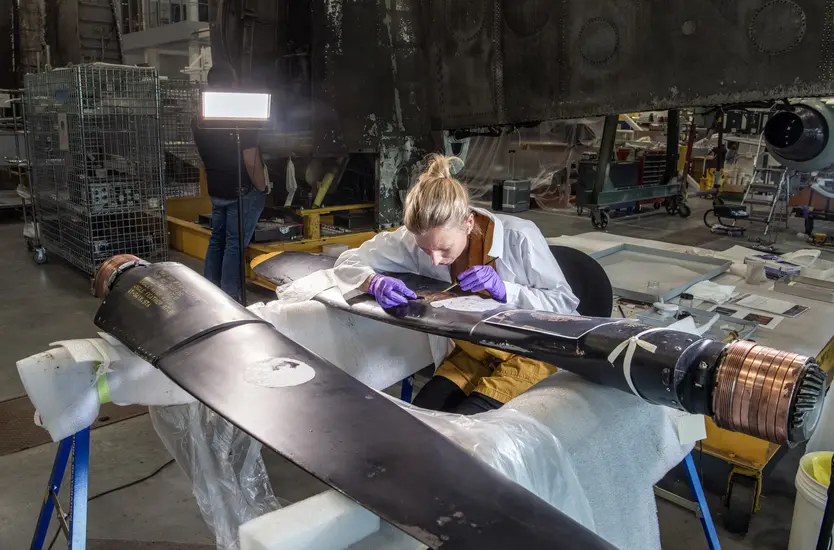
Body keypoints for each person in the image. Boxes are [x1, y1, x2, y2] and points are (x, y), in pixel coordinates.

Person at [333, 153, 579, 415]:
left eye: (443, 248)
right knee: (423, 415)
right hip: (474, 351)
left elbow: (565, 304)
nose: (436, 260)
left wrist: (506, 290)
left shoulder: (520, 237)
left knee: (471, 425)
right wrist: (373, 281)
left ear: (468, 222)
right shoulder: (416, 237)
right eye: (425, 250)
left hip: (530, 350)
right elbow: (348, 260)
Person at [192, 64, 268, 302]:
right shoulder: (241, 114)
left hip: (217, 188)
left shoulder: (200, 116)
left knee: (217, 238)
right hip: (240, 189)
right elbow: (251, 160)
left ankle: (211, 292)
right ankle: (231, 298)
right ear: (232, 85)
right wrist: (262, 188)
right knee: (234, 244)